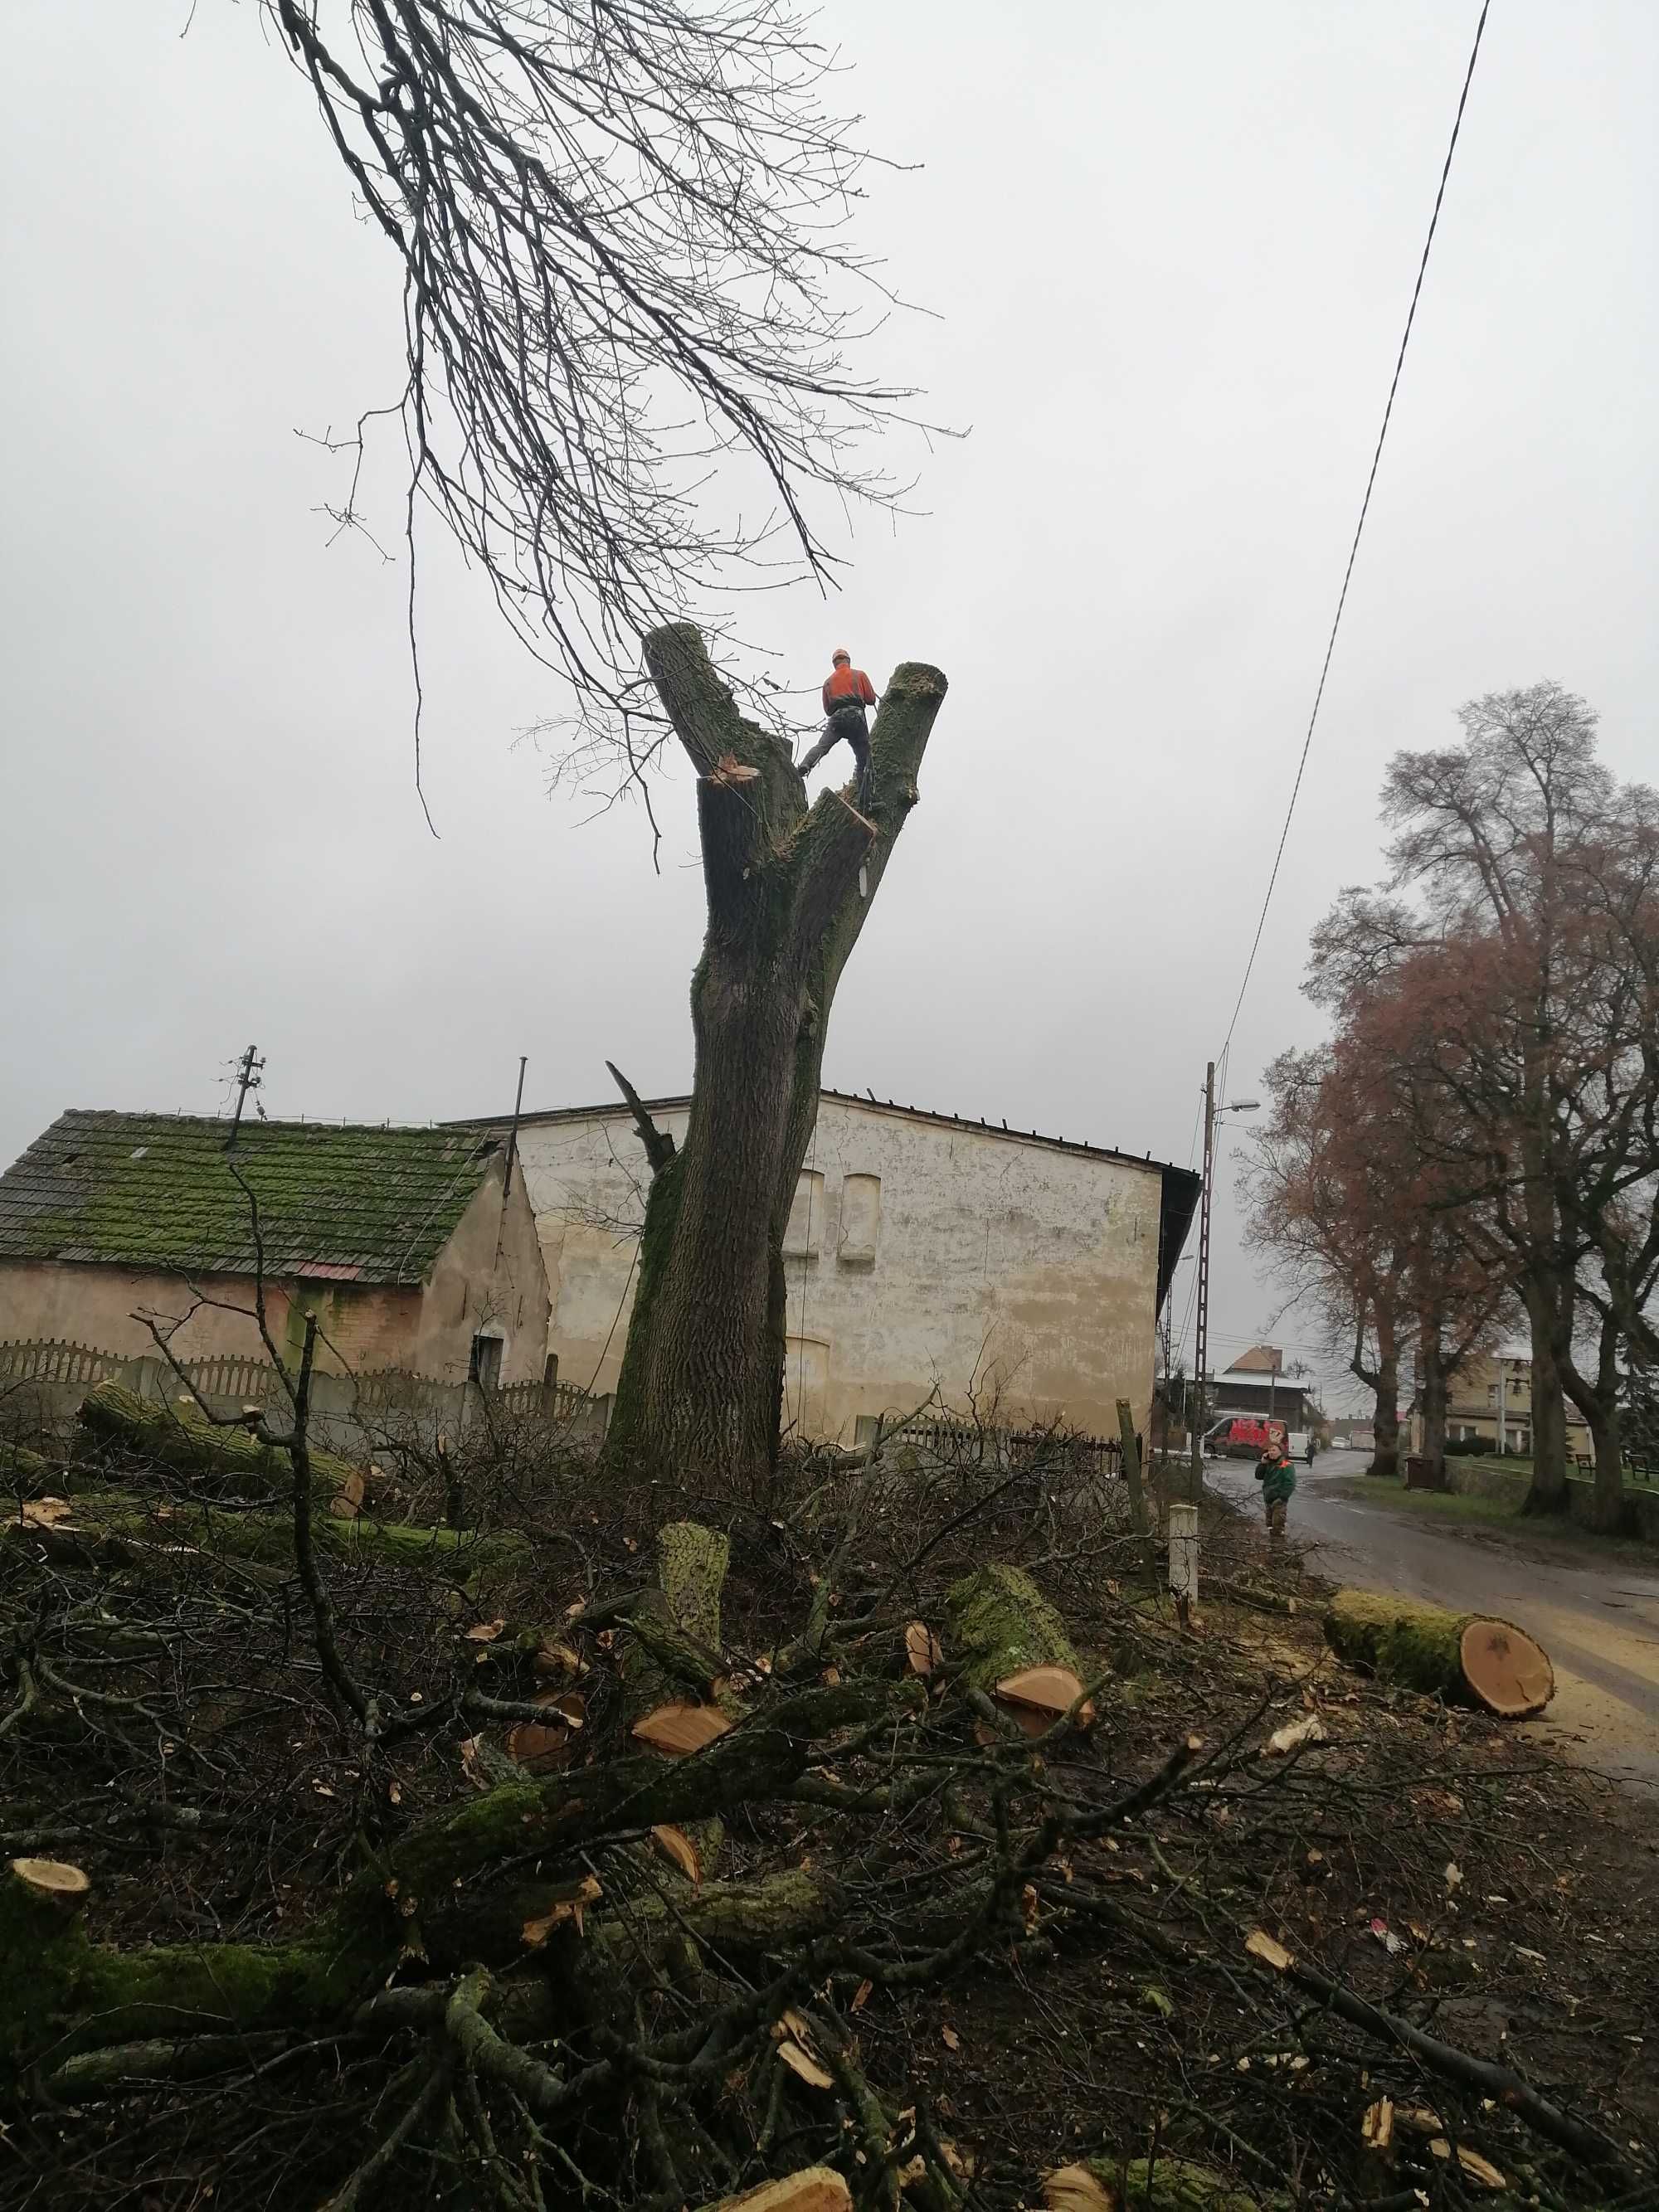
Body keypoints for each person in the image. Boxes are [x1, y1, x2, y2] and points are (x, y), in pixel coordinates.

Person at [799, 648, 878, 799]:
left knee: (822, 746)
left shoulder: (828, 682)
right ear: (848, 661)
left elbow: (828, 710)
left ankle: (806, 765)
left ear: (835, 664)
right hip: (856, 717)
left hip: (837, 719)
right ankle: (867, 800)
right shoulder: (859, 675)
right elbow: (871, 699)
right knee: (864, 758)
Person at [1254, 1437, 1297, 1539]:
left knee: (1277, 1526)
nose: (1271, 1452)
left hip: (1279, 1501)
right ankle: (1272, 1546)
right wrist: (1263, 1464)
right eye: (1269, 1450)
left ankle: (1278, 1548)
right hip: (1268, 1499)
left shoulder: (1286, 1465)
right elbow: (1258, 1476)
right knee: (1269, 1526)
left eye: (1274, 1450)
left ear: (1280, 1452)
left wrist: (1282, 1498)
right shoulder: (1268, 1464)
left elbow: (1290, 1483)